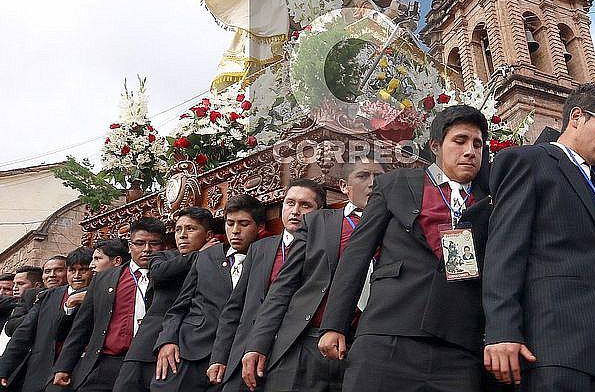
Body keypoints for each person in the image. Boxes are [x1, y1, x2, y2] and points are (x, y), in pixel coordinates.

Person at [483, 84, 595, 391]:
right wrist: (502, 329)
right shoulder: (529, 161)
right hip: (558, 344)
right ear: (576, 117)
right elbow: (505, 249)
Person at [317, 105, 492, 392]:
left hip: (459, 349)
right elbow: (357, 255)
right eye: (459, 141)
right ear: (436, 146)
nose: (470, 151)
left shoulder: (492, 197)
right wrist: (334, 324)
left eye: (477, 144)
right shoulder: (396, 184)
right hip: (387, 335)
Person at [242, 157, 384, 392]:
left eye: (379, 178)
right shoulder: (317, 223)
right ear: (343, 186)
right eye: (362, 176)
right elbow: (283, 287)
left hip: (366, 348)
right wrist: (257, 344)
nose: (372, 184)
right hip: (306, 345)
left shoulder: (399, 228)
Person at [207, 179, 324, 392]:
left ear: (321, 211)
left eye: (305, 205)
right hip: (245, 355)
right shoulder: (260, 248)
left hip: (295, 357)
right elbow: (235, 307)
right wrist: (220, 357)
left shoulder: (325, 249)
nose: (295, 211)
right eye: (290, 203)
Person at [154, 196, 267, 392]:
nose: (235, 231)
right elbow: (178, 308)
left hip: (236, 359)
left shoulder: (267, 260)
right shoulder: (205, 257)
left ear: (260, 227)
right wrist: (167, 341)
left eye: (244, 224)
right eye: (230, 224)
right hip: (188, 353)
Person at [52, 217, 167, 392]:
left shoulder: (170, 276)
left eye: (154, 244)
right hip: (106, 361)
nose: (147, 250)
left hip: (149, 362)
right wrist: (64, 366)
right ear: (130, 246)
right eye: (140, 243)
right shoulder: (104, 279)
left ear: (163, 246)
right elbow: (83, 325)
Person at [113, 208, 218, 392]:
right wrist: (200, 255)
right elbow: (160, 273)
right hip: (148, 343)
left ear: (208, 235)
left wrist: (207, 256)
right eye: (178, 230)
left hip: (187, 348)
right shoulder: (163, 256)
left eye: (190, 229)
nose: (182, 235)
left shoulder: (218, 262)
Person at [0, 247, 96, 392]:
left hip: (78, 373)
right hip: (39, 373)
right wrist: (1, 370)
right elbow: (22, 335)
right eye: (72, 270)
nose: (77, 275)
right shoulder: (47, 297)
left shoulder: (101, 295)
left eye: (83, 270)